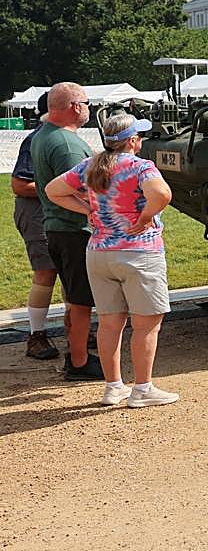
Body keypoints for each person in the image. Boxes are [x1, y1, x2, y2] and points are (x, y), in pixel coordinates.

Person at [46, 113, 178, 408]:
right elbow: (162, 193)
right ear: (132, 141)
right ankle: (142, 389)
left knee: (109, 323)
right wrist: (145, 216)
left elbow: (53, 190)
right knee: (146, 325)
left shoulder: (91, 166)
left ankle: (113, 387)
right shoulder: (141, 166)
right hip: (139, 252)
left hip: (99, 252)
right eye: (139, 136)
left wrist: (87, 211)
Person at [30, 82, 102, 380]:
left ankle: (78, 355)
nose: (89, 107)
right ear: (74, 106)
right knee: (81, 300)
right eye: (86, 102)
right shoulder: (67, 144)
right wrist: (97, 211)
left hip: (58, 227)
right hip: (75, 230)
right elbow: (82, 189)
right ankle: (79, 361)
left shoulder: (44, 135)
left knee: (75, 297)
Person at [12, 92, 60, 360]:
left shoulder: (55, 137)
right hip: (37, 213)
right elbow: (19, 184)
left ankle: (76, 327)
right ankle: (36, 336)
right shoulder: (37, 139)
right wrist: (60, 191)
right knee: (46, 271)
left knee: (69, 269)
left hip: (54, 213)